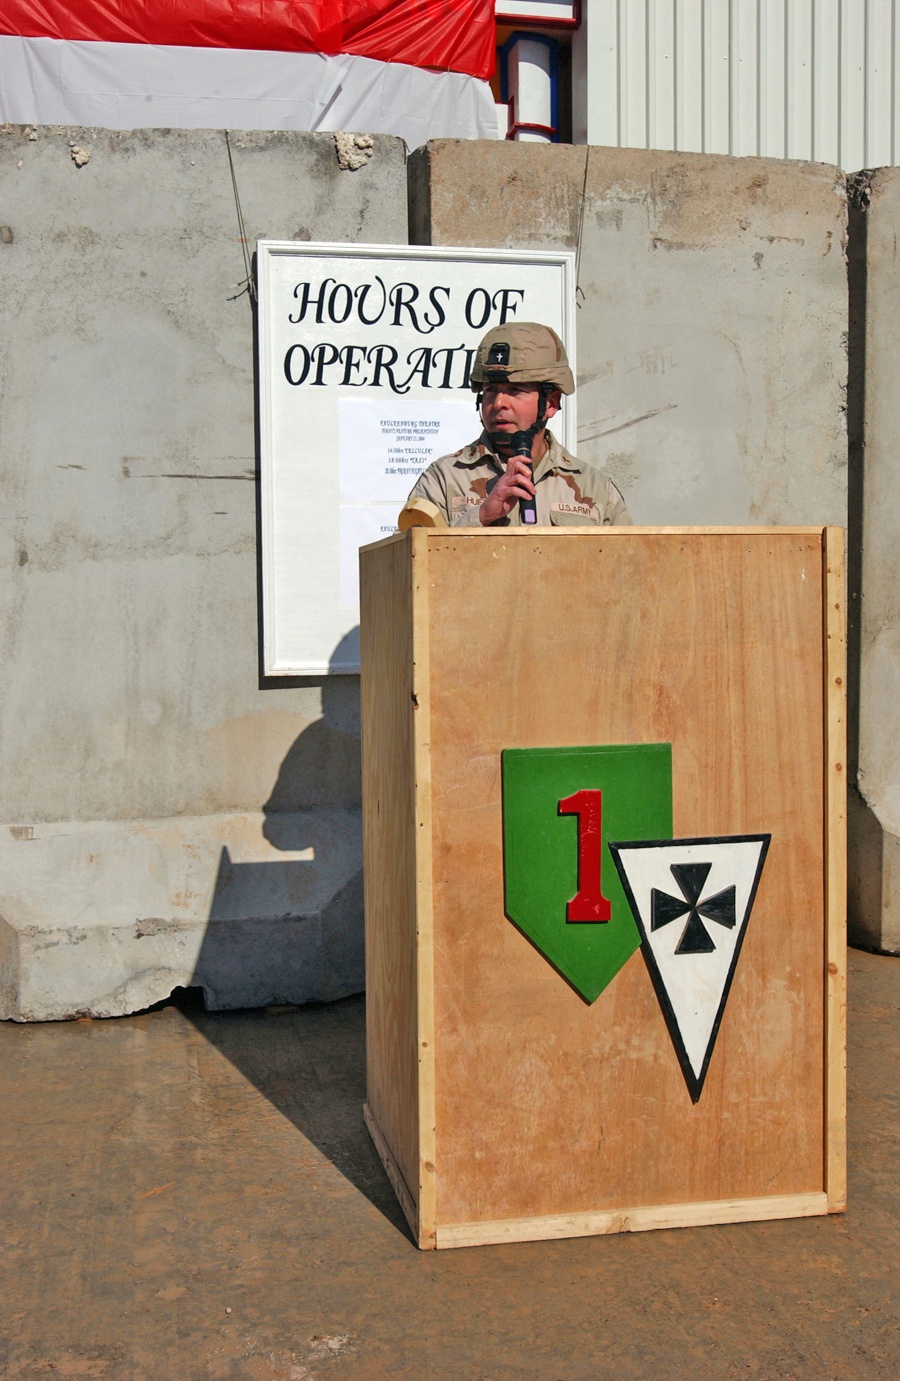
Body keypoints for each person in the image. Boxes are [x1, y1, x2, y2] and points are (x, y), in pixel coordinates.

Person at [398, 322, 632, 529]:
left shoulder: (594, 487)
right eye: (490, 390)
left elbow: (628, 567)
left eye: (515, 391)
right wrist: (480, 516)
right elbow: (409, 563)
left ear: (551, 403)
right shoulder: (444, 479)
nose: (499, 403)